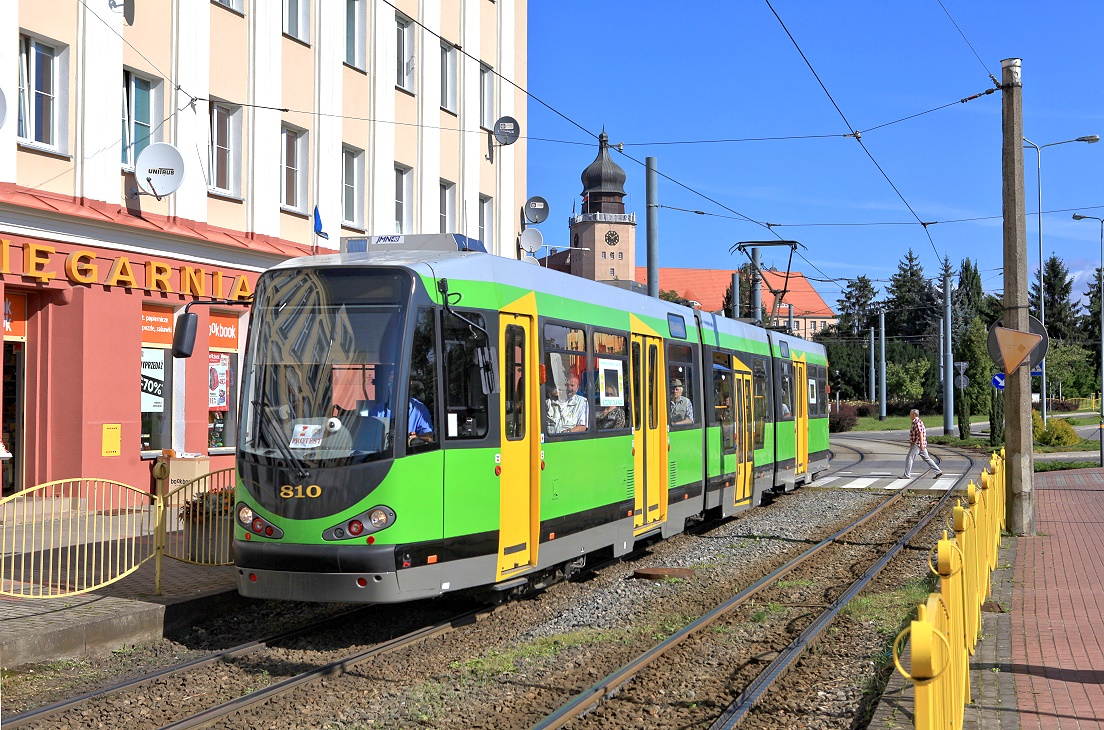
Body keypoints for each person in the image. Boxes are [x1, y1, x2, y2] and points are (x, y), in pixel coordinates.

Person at [903, 408, 942, 478]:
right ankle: (938, 471)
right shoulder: (918, 421)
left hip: (917, 444)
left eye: (910, 414)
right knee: (927, 458)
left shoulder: (917, 422)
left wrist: (921, 444)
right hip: (920, 444)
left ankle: (907, 474)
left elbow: (920, 433)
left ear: (914, 414)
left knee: (909, 458)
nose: (910, 416)